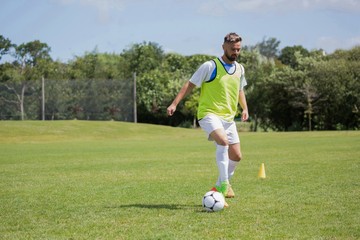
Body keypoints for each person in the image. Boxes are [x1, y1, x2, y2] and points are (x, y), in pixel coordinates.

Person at [167, 32, 249, 207]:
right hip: (208, 114)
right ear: (223, 47)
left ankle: (219, 185)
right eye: (233, 49)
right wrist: (174, 103)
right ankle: (225, 184)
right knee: (223, 142)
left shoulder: (240, 69)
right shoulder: (210, 66)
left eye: (238, 49)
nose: (236, 52)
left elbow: (240, 89)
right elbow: (189, 84)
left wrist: (245, 108)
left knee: (237, 156)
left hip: (228, 118)